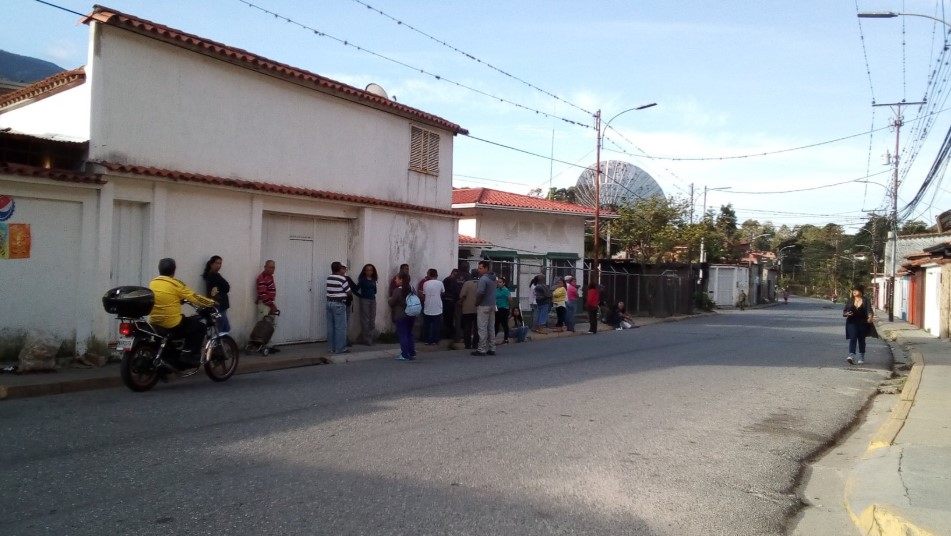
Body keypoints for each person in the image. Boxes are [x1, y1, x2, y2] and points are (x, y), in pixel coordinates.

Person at [149, 258, 216, 365]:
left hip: (155, 321)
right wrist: (211, 303)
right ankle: (189, 355)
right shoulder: (175, 284)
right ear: (174, 271)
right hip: (171, 323)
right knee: (200, 327)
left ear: (159, 269)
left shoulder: (153, 282)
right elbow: (194, 297)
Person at [388, 272, 416, 361]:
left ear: (401, 280)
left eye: (397, 278)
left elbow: (392, 303)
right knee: (409, 334)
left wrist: (389, 300)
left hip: (401, 315)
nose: (395, 280)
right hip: (411, 314)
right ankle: (412, 352)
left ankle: (405, 354)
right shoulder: (412, 288)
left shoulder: (397, 290)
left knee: (403, 335)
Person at [843, 284, 874, 365]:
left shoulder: (865, 300)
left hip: (862, 322)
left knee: (861, 339)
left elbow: (869, 310)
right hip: (851, 321)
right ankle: (851, 355)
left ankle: (861, 356)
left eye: (856, 290)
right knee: (853, 337)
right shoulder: (850, 300)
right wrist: (847, 313)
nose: (854, 292)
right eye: (853, 290)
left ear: (861, 292)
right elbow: (844, 311)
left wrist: (870, 317)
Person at [472, 260, 498, 356]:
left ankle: (481, 349)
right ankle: (492, 348)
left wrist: (477, 303)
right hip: (492, 304)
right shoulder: (493, 278)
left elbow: (480, 293)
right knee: (491, 327)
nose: (479, 270)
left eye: (481, 268)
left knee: (482, 328)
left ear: (486, 268)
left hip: (483, 305)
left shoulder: (483, 279)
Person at [326, 261, 352, 354]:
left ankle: (331, 348)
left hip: (329, 303)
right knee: (340, 327)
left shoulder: (329, 278)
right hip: (339, 304)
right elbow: (349, 292)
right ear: (339, 268)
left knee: (331, 327)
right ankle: (340, 348)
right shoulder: (342, 279)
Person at [255, 259, 281, 353]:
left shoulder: (270, 277)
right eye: (270, 267)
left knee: (270, 325)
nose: (272, 269)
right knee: (265, 326)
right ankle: (263, 347)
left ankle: (268, 345)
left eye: (273, 267)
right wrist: (272, 306)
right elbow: (263, 294)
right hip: (265, 304)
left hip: (268, 303)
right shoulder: (262, 277)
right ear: (265, 267)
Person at [202, 255, 231, 335]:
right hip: (219, 305)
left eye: (220, 263)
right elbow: (226, 287)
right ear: (211, 264)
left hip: (220, 305)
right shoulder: (214, 275)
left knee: (226, 328)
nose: (219, 265)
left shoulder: (212, 275)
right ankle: (217, 346)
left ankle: (225, 345)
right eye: (217, 263)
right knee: (220, 329)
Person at [355, 263, 378, 345]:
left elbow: (375, 291)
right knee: (365, 319)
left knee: (372, 320)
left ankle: (370, 337)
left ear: (373, 271)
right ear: (365, 271)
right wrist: (361, 296)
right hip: (364, 300)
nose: (369, 271)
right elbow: (356, 289)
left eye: (371, 270)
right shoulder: (362, 280)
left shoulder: (373, 280)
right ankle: (366, 339)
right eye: (367, 270)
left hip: (373, 300)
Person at [421, 268, 445, 345]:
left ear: (429, 274)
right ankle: (435, 339)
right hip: (437, 306)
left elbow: (424, 294)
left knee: (427, 324)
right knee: (436, 324)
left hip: (428, 305)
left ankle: (427, 340)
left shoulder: (425, 283)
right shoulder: (440, 283)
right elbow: (442, 292)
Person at [458, 270, 480, 349]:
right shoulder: (481, 283)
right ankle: (475, 344)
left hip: (467, 308)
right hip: (478, 308)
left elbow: (462, 295)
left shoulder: (467, 283)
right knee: (477, 327)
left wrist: (460, 302)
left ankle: (467, 344)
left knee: (467, 326)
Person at [442, 268, 461, 339]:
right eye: (454, 274)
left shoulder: (455, 281)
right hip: (447, 302)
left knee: (450, 319)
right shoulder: (447, 280)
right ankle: (447, 334)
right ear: (451, 273)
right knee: (447, 319)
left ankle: (449, 334)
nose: (455, 276)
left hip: (452, 303)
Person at [494, 276, 512, 343]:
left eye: (500, 282)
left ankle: (506, 338)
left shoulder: (506, 290)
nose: (498, 283)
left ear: (503, 283)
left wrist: (510, 308)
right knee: (496, 323)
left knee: (504, 323)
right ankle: (493, 337)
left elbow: (510, 300)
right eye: (498, 282)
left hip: (504, 308)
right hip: (497, 308)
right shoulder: (496, 290)